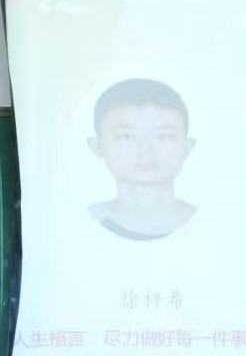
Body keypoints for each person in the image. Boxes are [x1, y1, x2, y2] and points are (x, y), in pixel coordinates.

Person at [85, 78, 198, 241]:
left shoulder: (215, 223)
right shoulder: (77, 223)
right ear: (97, 146)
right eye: (126, 137)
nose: (145, 150)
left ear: (187, 147)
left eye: (163, 137)